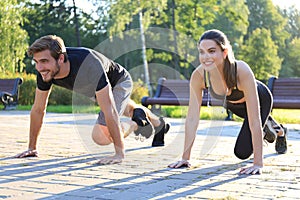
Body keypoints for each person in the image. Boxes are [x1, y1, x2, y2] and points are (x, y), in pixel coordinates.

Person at [15, 35, 170, 164]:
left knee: (100, 136)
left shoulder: (88, 64)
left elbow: (109, 110)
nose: (39, 67)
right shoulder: (45, 72)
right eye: (36, 62)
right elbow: (38, 109)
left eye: (44, 61)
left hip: (119, 82)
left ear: (60, 58)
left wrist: (119, 153)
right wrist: (32, 147)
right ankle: (158, 124)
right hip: (97, 90)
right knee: (128, 110)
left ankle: (136, 123)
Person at [168, 29, 287, 175]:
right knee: (253, 129)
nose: (205, 57)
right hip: (234, 106)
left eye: (212, 51)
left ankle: (280, 131)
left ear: (224, 53)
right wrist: (185, 157)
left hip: (260, 100)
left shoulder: (241, 70)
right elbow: (192, 118)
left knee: (242, 152)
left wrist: (258, 164)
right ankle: (268, 123)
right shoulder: (199, 76)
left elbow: (254, 121)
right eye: (202, 52)